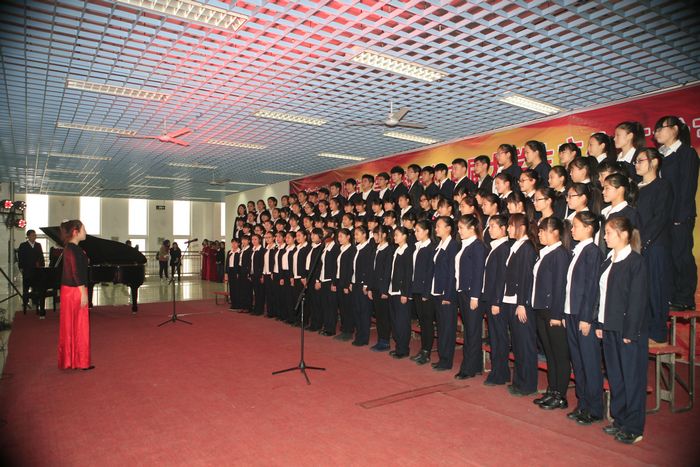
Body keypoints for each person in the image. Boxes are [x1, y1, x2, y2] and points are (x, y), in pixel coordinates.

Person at [597, 216, 649, 445]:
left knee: (632, 378)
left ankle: (634, 427)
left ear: (624, 234)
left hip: (627, 330)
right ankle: (619, 420)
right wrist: (600, 324)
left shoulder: (635, 262)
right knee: (616, 376)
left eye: (609, 233)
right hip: (609, 326)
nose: (605, 237)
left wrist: (630, 332)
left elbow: (637, 300)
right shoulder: (609, 260)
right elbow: (602, 296)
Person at [655, 116, 699, 312]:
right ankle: (671, 295)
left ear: (674, 130)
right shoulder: (660, 155)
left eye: (661, 129)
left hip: (680, 215)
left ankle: (685, 297)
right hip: (664, 216)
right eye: (655, 130)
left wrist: (680, 217)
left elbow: (687, 187)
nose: (656, 133)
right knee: (668, 257)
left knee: (681, 256)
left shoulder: (686, 153)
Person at [565, 211, 605, 425]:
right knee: (578, 361)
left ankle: (595, 408)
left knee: (590, 362)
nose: (572, 230)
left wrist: (587, 317)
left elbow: (592, 288)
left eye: (576, 226)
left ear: (589, 228)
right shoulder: (577, 250)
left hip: (583, 316)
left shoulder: (593, 252)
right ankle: (582, 403)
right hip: (571, 312)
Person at [531, 217, 572, 410]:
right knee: (550, 353)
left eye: (542, 231)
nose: (539, 234)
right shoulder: (545, 252)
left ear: (555, 233)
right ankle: (552, 389)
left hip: (552, 311)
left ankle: (560, 395)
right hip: (541, 308)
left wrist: (557, 314)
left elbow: (559, 287)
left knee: (559, 354)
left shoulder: (560, 254)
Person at [635, 148, 673, 344]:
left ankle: (658, 334)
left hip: (655, 244)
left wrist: (644, 241)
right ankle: (643, 329)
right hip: (637, 244)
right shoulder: (636, 188)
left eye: (640, 160)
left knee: (655, 288)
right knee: (641, 289)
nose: (636, 164)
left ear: (654, 162)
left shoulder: (662, 186)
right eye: (635, 161)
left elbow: (660, 217)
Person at [503, 213, 538, 396]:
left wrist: (522, 303)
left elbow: (526, 277)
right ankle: (518, 381)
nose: (508, 229)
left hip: (521, 302)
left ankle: (527, 385)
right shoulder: (516, 246)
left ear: (522, 228)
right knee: (517, 344)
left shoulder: (527, 248)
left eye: (511, 225)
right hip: (512, 300)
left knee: (525, 344)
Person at [454, 215, 487, 380]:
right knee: (470, 330)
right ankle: (476, 365)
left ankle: (469, 368)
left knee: (472, 332)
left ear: (472, 228)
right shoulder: (465, 244)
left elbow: (478, 273)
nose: (459, 231)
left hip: (472, 294)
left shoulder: (477, 246)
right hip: (463, 292)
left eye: (461, 228)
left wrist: (475, 296)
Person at [58, 220, 92, 370]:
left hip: (71, 290)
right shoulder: (73, 249)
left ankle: (73, 360)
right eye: (84, 229)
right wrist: (83, 292)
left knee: (71, 325)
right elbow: (76, 272)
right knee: (79, 325)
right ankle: (79, 361)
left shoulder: (72, 248)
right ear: (75, 232)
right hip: (74, 291)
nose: (86, 232)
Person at [482, 215, 511, 386]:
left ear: (503, 228)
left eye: (493, 226)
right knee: (495, 337)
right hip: (491, 297)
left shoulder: (504, 248)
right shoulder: (495, 247)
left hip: (496, 300)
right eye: (490, 226)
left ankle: (499, 373)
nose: (490, 230)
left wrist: (497, 301)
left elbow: (502, 278)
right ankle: (501, 372)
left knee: (499, 337)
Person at [429, 216, 460, 371]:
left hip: (446, 294)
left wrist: (448, 295)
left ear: (448, 228)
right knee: (441, 327)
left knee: (447, 328)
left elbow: (452, 273)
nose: (436, 229)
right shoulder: (439, 245)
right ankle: (442, 357)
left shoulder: (452, 246)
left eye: (439, 226)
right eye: (436, 226)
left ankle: (446, 361)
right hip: (437, 291)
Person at [410, 220, 436, 365]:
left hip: (425, 290)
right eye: (415, 230)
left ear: (426, 231)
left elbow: (430, 272)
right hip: (417, 288)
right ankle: (423, 349)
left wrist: (426, 293)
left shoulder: (431, 248)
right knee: (422, 321)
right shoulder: (418, 246)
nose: (415, 233)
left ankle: (426, 351)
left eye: (418, 230)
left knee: (427, 322)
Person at [387, 227, 414, 359]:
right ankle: (399, 346)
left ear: (404, 236)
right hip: (393, 290)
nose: (394, 237)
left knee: (402, 322)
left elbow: (408, 274)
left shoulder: (408, 251)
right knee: (395, 321)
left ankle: (403, 349)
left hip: (401, 292)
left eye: (397, 235)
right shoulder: (397, 249)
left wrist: (405, 293)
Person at [368, 225, 393, 351]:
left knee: (384, 316)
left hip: (383, 288)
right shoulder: (376, 248)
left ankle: (385, 341)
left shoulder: (389, 250)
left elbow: (388, 271)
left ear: (384, 235)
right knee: (379, 315)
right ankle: (380, 339)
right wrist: (370, 288)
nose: (374, 237)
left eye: (376, 234)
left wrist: (384, 290)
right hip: (375, 287)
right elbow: (371, 270)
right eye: (373, 234)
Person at [350, 226, 374, 346]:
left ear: (364, 235)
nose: (355, 236)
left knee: (364, 311)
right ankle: (359, 335)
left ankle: (364, 337)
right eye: (354, 234)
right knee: (356, 310)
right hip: (355, 283)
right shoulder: (356, 248)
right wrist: (351, 282)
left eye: (357, 234)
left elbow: (369, 268)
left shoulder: (368, 249)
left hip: (363, 284)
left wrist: (366, 284)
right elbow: (353, 268)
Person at [334, 229, 356, 341]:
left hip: (346, 282)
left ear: (348, 237)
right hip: (339, 280)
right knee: (342, 307)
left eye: (341, 236)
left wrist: (347, 285)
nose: (339, 239)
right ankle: (344, 329)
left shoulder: (352, 250)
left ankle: (349, 331)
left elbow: (350, 269)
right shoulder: (340, 249)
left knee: (348, 307)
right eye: (338, 236)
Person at [17, 229, 45, 314]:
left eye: (35, 235)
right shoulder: (23, 245)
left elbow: (41, 256)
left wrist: (42, 265)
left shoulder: (38, 245)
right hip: (27, 269)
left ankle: (35, 301)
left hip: (36, 270)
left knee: (36, 286)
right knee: (26, 286)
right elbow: (20, 257)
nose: (34, 236)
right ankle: (25, 302)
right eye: (33, 235)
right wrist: (21, 267)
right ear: (28, 236)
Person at [225, 238, 241, 311]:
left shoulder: (240, 252)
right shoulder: (229, 252)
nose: (234, 244)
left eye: (235, 243)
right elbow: (227, 263)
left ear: (239, 244)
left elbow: (240, 264)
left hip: (236, 272)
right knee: (231, 288)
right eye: (232, 243)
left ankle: (238, 304)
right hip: (230, 271)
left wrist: (238, 272)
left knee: (237, 288)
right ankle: (233, 304)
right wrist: (226, 273)